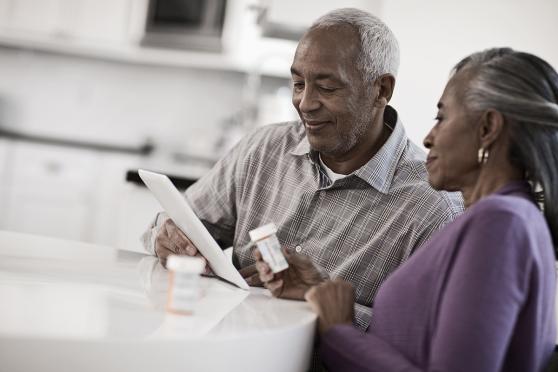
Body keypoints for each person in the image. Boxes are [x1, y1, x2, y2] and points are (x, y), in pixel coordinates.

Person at [141, 8, 463, 329]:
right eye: (298, 83)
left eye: (327, 88)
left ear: (381, 90)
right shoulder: (262, 150)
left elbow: (425, 342)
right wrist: (167, 237)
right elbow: (172, 226)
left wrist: (328, 305)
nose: (306, 103)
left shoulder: (434, 208)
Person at [257, 48, 557, 371]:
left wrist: (339, 333)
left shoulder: (501, 224)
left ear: (488, 128)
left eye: (441, 118)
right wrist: (320, 293)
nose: (428, 138)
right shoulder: (508, 219)